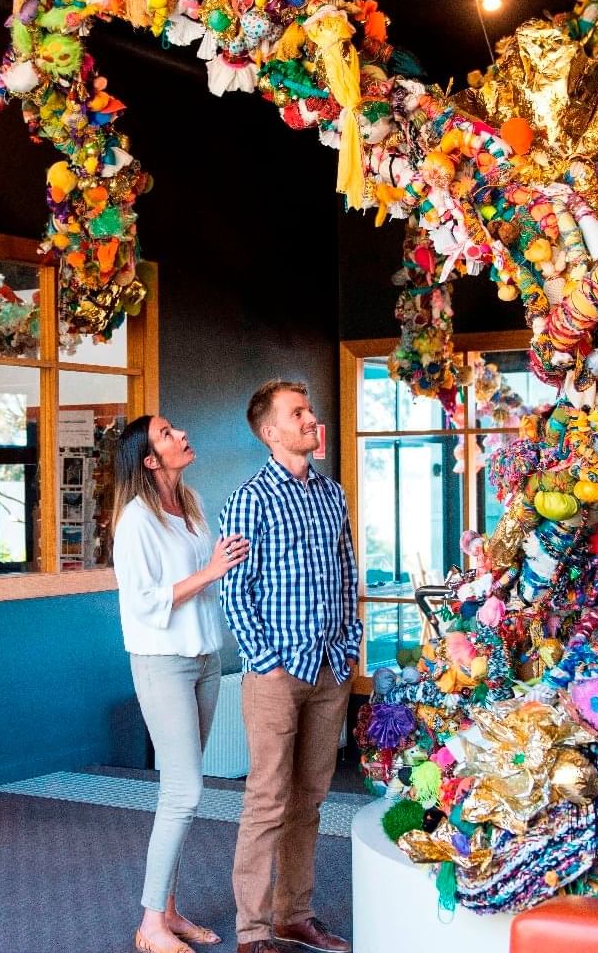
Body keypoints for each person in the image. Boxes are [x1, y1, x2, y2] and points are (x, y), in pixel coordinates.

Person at [219, 381, 361, 953]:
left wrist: (349, 648)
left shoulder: (333, 495)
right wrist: (267, 661)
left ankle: (292, 914)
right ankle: (252, 933)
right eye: (296, 413)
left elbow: (348, 575)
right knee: (267, 800)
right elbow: (235, 590)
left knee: (311, 798)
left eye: (308, 410)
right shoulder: (249, 498)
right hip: (278, 674)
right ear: (270, 432)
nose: (310, 418)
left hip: (330, 669)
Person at [113, 413, 251, 953]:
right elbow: (143, 601)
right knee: (185, 790)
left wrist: (228, 565)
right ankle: (150, 925)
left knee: (181, 796)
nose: (181, 436)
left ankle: (169, 911)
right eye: (167, 435)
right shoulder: (135, 522)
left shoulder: (188, 508)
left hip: (203, 659)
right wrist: (211, 572)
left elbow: (206, 581)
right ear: (150, 460)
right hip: (161, 662)